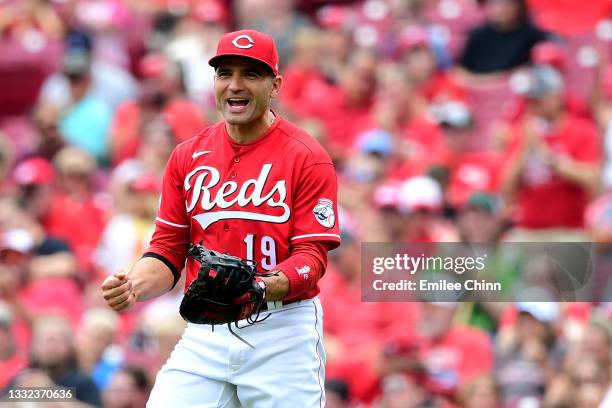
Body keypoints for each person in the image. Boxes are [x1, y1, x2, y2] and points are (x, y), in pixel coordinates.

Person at [101, 29, 341, 407]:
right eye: (225, 73)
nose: (235, 85)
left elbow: (312, 258)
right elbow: (167, 250)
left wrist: (261, 287)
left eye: (251, 74)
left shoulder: (307, 156)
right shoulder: (187, 155)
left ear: (275, 84)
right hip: (206, 331)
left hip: (281, 332)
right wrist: (134, 283)